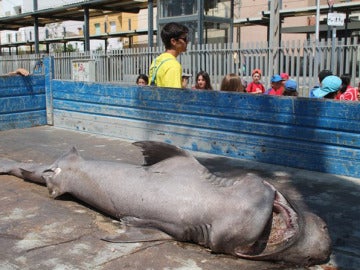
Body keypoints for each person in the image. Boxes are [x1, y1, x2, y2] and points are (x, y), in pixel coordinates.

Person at [148, 22, 189, 88]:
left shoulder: (156, 61)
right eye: (184, 39)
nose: (187, 41)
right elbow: (174, 96)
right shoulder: (173, 66)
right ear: (173, 41)